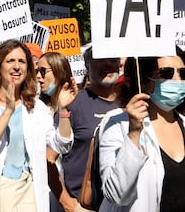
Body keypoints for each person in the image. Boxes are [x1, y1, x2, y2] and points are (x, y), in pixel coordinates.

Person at [0, 39, 73, 211]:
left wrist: (63, 110)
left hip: (29, 192)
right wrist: (8, 111)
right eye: (10, 61)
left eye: (22, 61)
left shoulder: (37, 108)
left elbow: (62, 144)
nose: (17, 67)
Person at [99, 47, 185, 211]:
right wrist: (134, 134)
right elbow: (117, 195)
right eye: (166, 73)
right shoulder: (117, 125)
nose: (177, 80)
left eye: (183, 73)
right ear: (144, 80)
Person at [52, 46, 120, 212]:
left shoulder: (132, 104)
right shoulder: (72, 105)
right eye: (101, 60)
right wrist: (68, 203)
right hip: (85, 206)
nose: (108, 64)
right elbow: (48, 159)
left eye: (113, 60)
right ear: (87, 66)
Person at [36, 52, 78, 212]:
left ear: (59, 71)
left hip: (75, 192)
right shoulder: (36, 109)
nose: (38, 77)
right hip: (46, 193)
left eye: (43, 71)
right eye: (36, 72)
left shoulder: (78, 106)